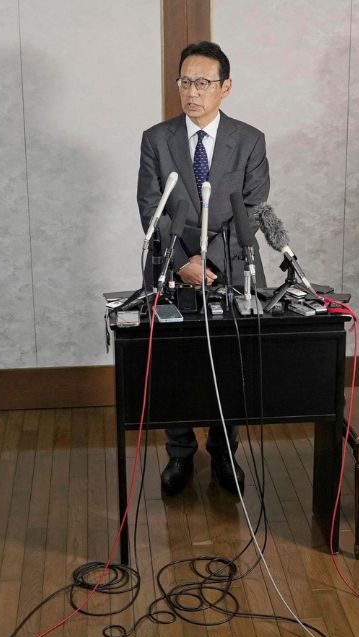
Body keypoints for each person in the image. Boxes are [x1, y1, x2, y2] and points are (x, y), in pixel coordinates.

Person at [136, 41, 269, 497]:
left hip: (230, 268)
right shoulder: (156, 139)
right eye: (185, 82)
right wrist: (182, 265)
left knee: (227, 366)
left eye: (203, 83)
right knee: (174, 365)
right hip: (173, 267)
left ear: (225, 88)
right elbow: (150, 209)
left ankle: (224, 451)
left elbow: (249, 209)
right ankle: (178, 453)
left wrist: (207, 261)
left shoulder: (249, 140)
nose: (192, 92)